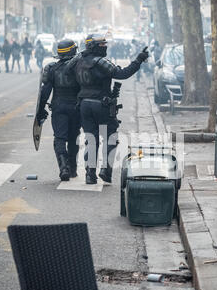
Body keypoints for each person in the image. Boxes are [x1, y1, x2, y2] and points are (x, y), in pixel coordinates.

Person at [75, 33, 149, 185]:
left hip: (84, 105)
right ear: (93, 46)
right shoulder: (101, 62)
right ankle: (105, 170)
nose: (105, 47)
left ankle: (90, 174)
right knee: (111, 137)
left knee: (91, 139)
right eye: (102, 45)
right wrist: (139, 60)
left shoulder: (77, 61)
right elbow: (122, 74)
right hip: (101, 105)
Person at [35, 39, 81, 181]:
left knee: (60, 138)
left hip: (59, 107)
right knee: (73, 138)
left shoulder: (51, 68)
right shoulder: (79, 67)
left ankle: (63, 168)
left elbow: (45, 92)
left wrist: (40, 110)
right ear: (73, 51)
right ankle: (72, 169)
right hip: (76, 107)